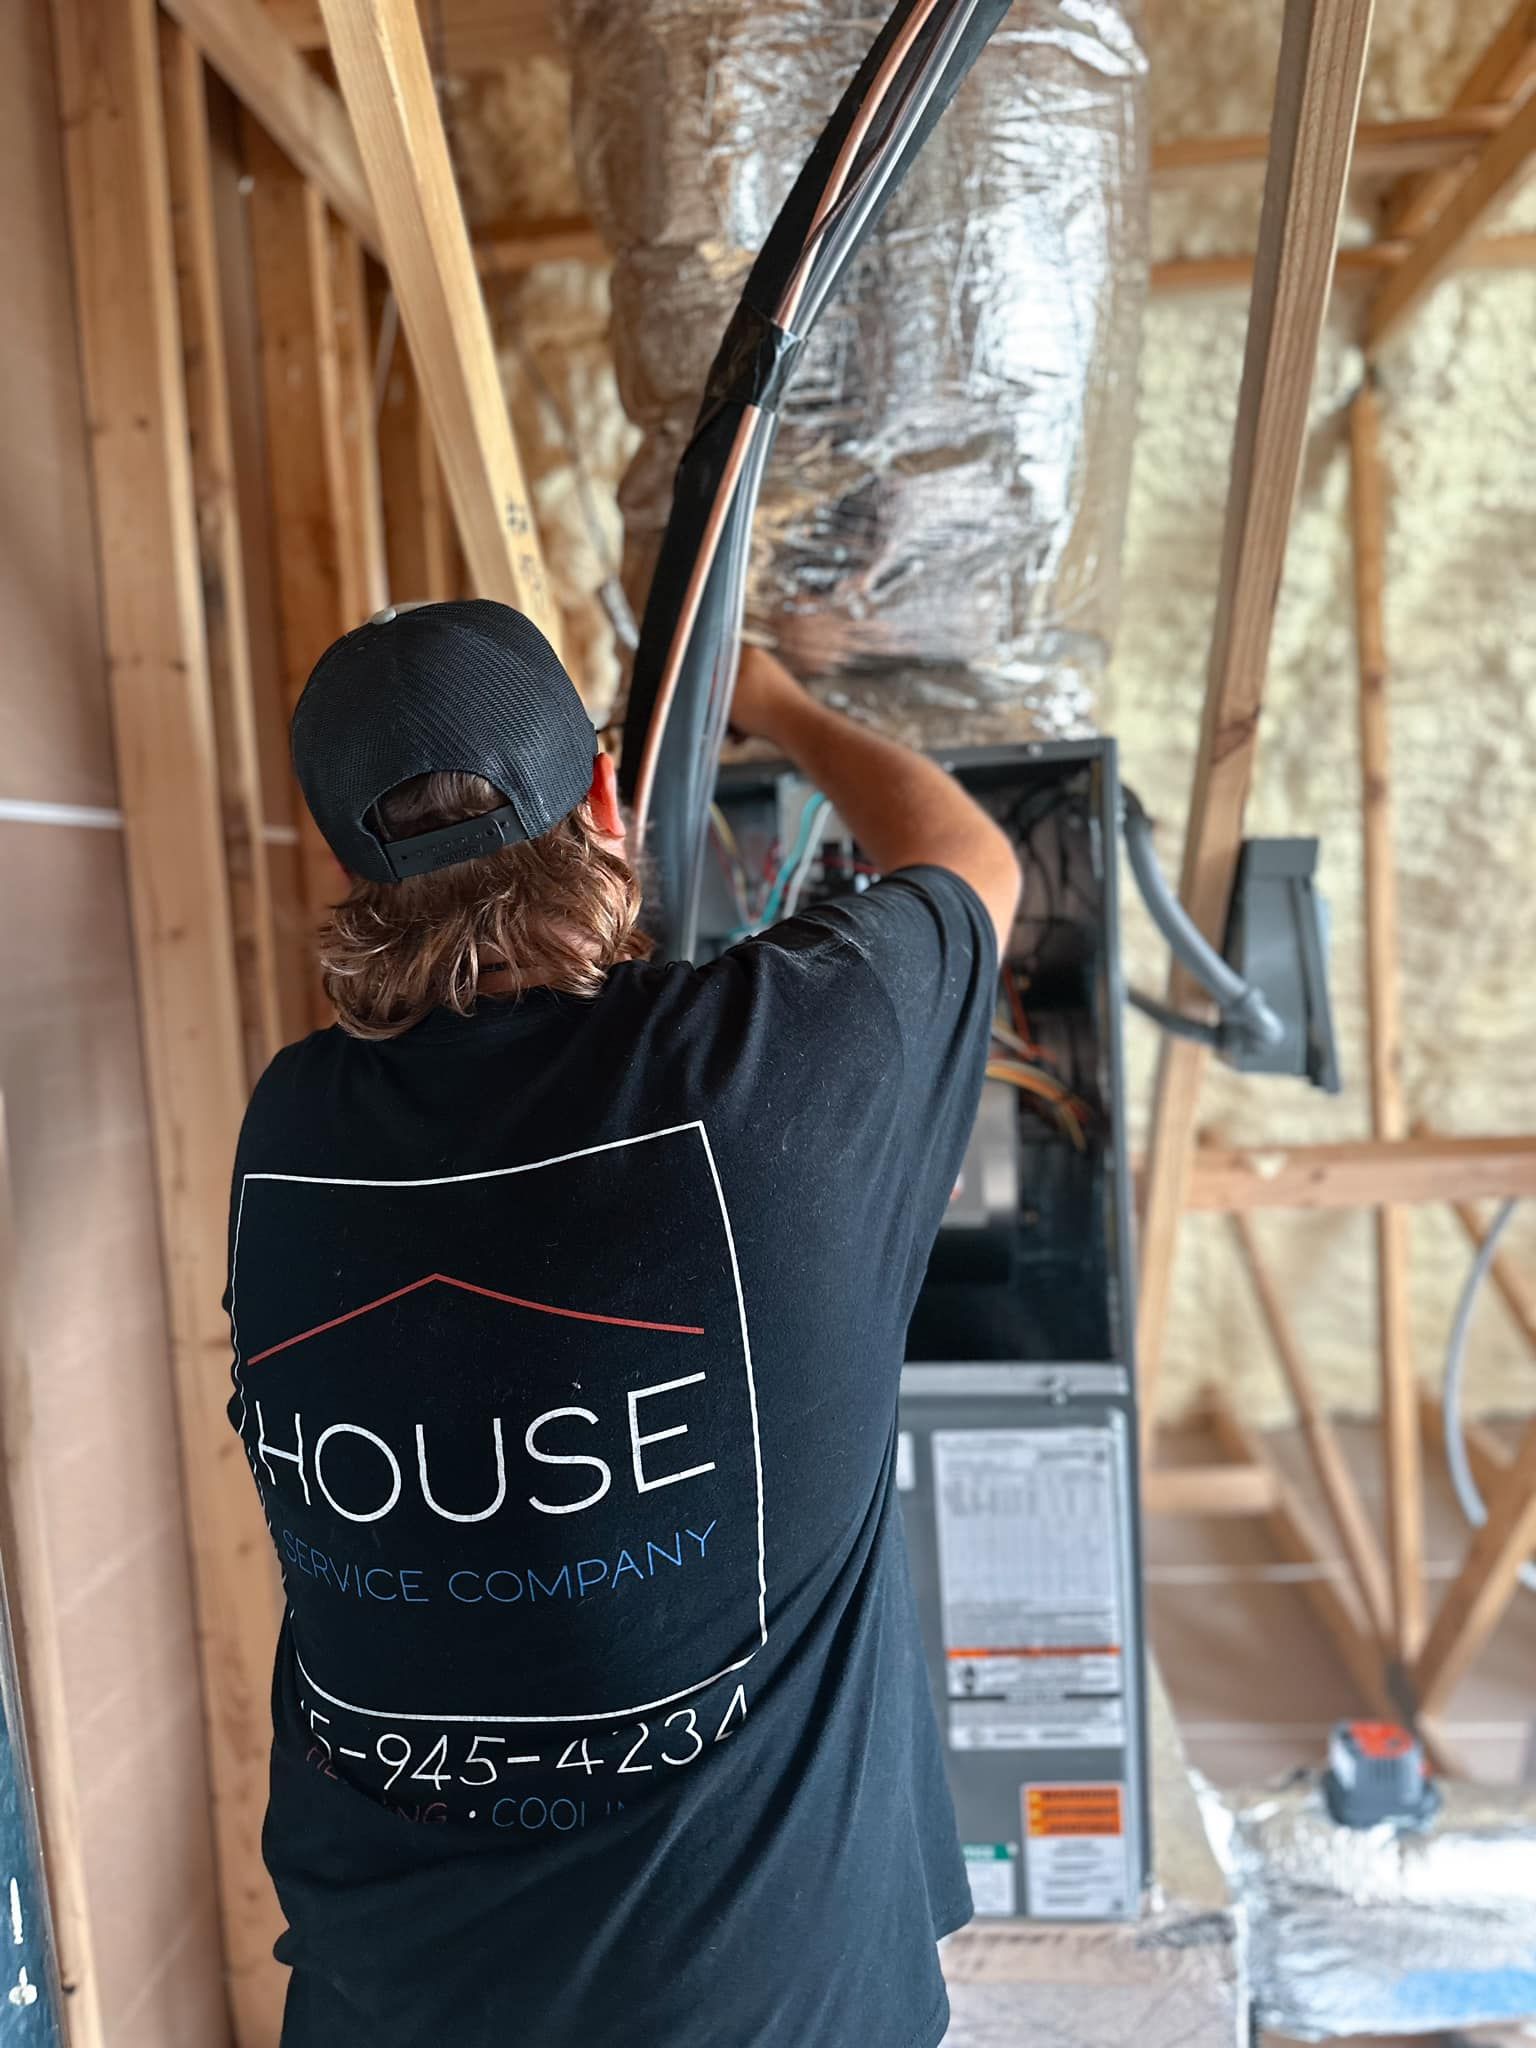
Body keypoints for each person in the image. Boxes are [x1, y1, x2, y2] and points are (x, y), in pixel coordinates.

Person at [226, 598, 1020, 2048]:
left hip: (386, 1999)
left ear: (347, 869)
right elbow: (971, 861)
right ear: (603, 797)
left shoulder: (288, 1134)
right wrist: (775, 702)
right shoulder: (774, 1063)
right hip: (743, 2006)